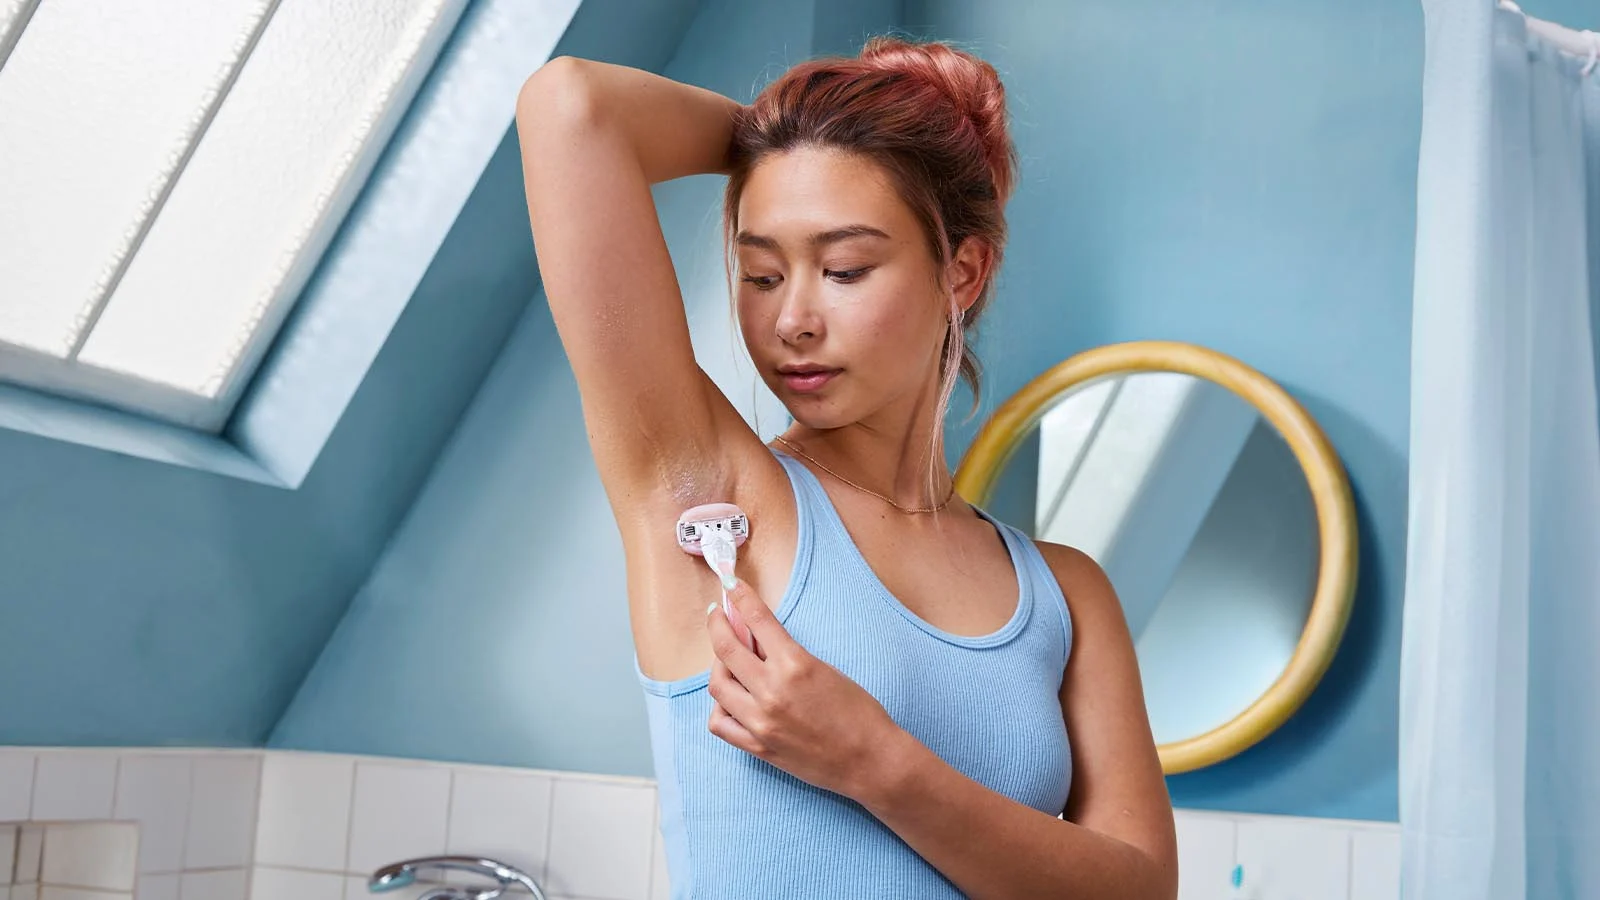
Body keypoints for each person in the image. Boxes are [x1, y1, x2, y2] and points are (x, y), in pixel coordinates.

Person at [515, 35, 1177, 900]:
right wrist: (784, 144)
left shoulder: (1066, 596)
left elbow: (1140, 889)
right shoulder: (714, 494)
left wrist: (877, 763)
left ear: (962, 273)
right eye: (760, 273)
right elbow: (570, 107)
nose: (792, 319)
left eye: (843, 268)